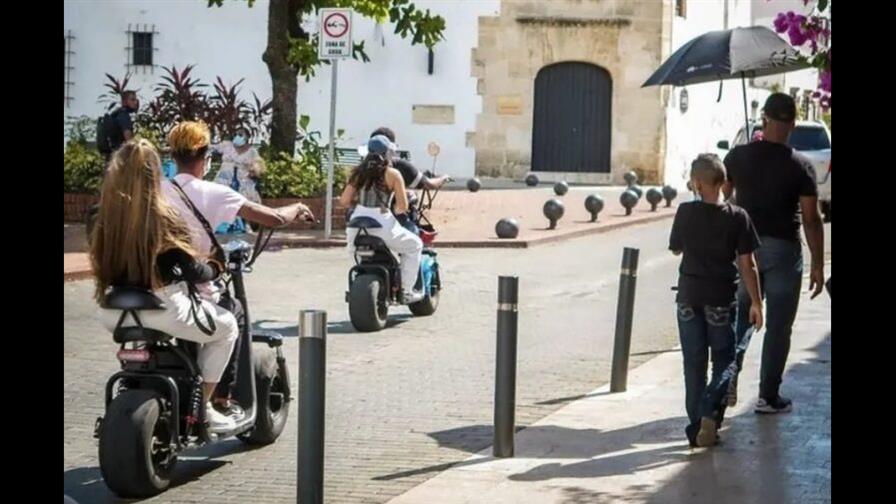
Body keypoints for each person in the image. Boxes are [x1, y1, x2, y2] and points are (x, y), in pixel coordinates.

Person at [163, 121, 314, 416]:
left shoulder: (156, 189)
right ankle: (220, 398)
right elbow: (272, 218)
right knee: (235, 313)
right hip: (192, 284)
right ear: (206, 158)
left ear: (173, 156)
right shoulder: (213, 192)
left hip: (156, 284)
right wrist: (297, 208)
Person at [91, 138, 239, 433]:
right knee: (228, 327)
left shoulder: (99, 215)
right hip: (164, 307)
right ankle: (204, 407)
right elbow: (188, 269)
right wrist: (214, 267)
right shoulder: (163, 215)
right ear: (155, 173)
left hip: (112, 309)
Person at [723, 93, 826, 414]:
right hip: (783, 248)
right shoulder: (801, 166)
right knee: (779, 326)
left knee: (741, 318)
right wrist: (818, 265)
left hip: (745, 250)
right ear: (792, 125)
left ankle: (727, 381)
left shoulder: (737, 156)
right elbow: (811, 218)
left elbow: (725, 199)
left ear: (764, 119)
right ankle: (768, 396)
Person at [669, 154, 763, 448]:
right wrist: (756, 303)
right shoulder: (738, 217)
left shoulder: (685, 212)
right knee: (724, 359)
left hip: (688, 295)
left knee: (693, 362)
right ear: (724, 183)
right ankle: (711, 410)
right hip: (721, 298)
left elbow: (675, 249)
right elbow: (748, 265)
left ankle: (696, 426)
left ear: (696, 183)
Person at [340, 134, 425, 304]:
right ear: (387, 154)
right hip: (382, 223)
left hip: (356, 224)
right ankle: (406, 290)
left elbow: (344, 201)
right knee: (414, 245)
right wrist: (395, 209)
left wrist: (360, 204)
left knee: (357, 254)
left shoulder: (357, 173)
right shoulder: (393, 174)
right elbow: (403, 206)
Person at [211, 127, 265, 234]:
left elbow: (258, 166)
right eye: (236, 134)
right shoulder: (227, 146)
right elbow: (211, 148)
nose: (237, 137)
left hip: (243, 181)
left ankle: (245, 224)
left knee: (246, 199)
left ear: (247, 137)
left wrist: (254, 169)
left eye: (241, 135)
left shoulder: (252, 151)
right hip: (223, 179)